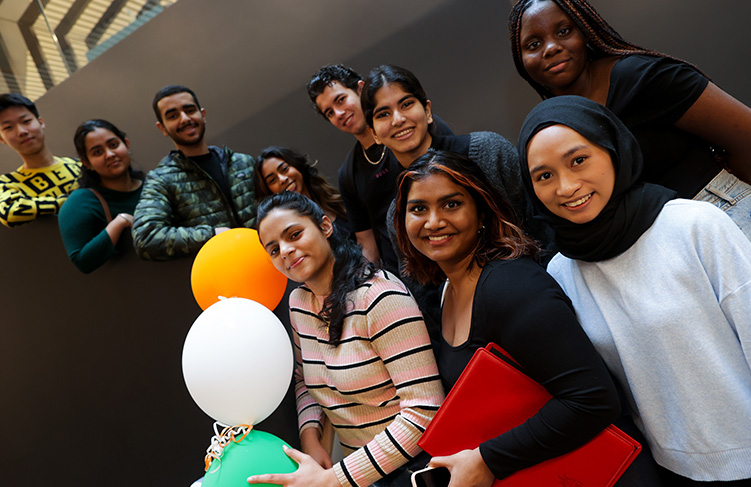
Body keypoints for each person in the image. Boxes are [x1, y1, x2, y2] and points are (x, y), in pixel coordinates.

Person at [517, 95, 751, 485]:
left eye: (578, 160)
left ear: (612, 149)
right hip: (669, 470)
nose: (567, 186)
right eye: (544, 176)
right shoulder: (561, 272)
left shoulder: (694, 226)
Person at [392, 149, 621, 486]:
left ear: (481, 210)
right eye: (418, 209)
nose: (434, 221)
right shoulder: (447, 292)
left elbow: (593, 399)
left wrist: (487, 461)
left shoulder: (512, 285)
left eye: (451, 204)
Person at [508, 0, 751, 240]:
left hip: (720, 211)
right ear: (521, 60)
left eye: (563, 32)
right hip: (662, 242)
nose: (551, 48)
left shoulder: (641, 77)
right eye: (533, 44)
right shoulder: (555, 123)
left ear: (585, 30)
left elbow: (745, 136)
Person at [250, 191, 444, 487]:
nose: (286, 251)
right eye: (274, 249)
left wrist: (333, 479)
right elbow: (304, 378)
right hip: (358, 478)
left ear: (325, 226)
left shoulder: (380, 295)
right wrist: (311, 437)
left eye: (294, 234)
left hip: (414, 471)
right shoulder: (299, 303)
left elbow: (424, 411)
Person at [360, 64, 547, 255]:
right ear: (373, 133)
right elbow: (417, 278)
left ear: (427, 111)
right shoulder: (399, 210)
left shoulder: (489, 151)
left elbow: (541, 220)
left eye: (406, 104)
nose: (398, 119)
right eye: (383, 114)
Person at [306, 64, 453, 273]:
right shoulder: (348, 174)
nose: (339, 113)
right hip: (408, 275)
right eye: (329, 112)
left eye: (340, 100)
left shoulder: (416, 130)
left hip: (450, 248)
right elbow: (367, 244)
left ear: (360, 89)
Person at [131, 84, 257, 260]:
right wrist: (212, 235)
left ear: (202, 114)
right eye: (173, 115)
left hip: (275, 265)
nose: (184, 119)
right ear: (162, 128)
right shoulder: (161, 179)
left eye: (189, 110)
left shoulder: (242, 162)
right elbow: (146, 237)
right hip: (223, 276)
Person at [58, 119, 144, 273]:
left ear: (127, 144)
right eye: (98, 152)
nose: (110, 154)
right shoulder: (81, 201)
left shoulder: (153, 185)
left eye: (113, 145)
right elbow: (82, 261)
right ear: (86, 163)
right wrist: (120, 221)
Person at [0, 93, 81, 228]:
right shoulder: (8, 183)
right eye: (8, 127)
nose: (21, 131)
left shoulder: (78, 166)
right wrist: (68, 203)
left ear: (41, 122)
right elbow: (9, 212)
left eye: (26, 121)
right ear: (1, 138)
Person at [254, 145, 351, 235]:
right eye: (272, 180)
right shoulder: (288, 230)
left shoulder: (333, 198)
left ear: (297, 166)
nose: (282, 179)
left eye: (284, 169)